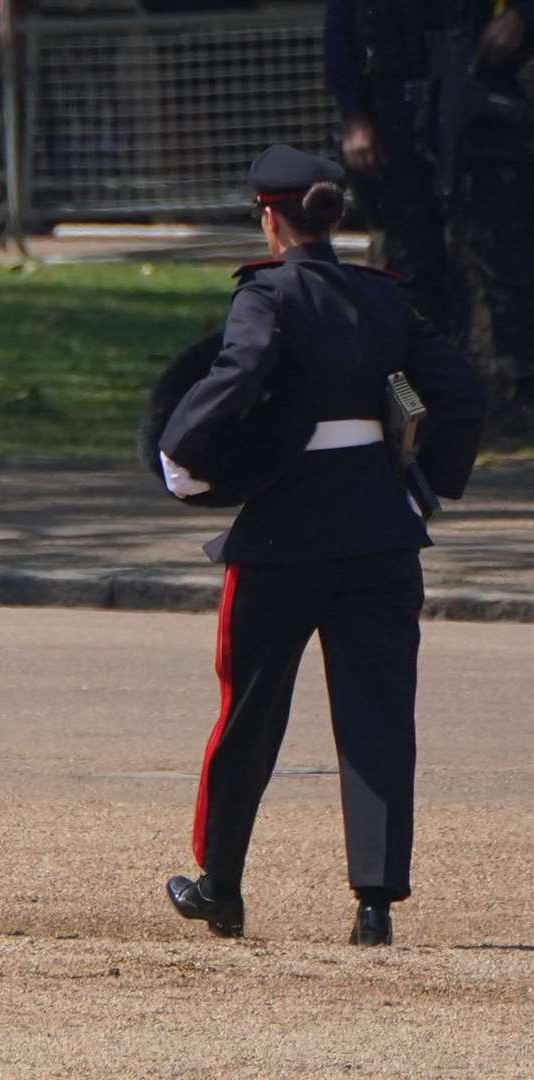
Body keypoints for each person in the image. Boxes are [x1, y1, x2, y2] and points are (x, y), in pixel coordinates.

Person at [157, 146, 486, 947]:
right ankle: (372, 901)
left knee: (248, 712)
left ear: (269, 217)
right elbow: (458, 388)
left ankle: (221, 886)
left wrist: (182, 456)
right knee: (376, 717)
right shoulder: (380, 297)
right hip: (379, 529)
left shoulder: (266, 293)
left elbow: (238, 374)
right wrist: (428, 475)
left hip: (284, 531)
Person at [325, 0, 534, 436]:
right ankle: (420, 401)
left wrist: (522, 15)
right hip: (394, 108)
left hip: (477, 99)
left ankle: (518, 395)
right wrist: (355, 117)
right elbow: (340, 31)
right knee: (411, 267)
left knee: (504, 260)